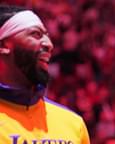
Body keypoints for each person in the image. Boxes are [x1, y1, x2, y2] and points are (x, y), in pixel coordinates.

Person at [0, 5, 90, 143]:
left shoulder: (72, 123)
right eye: (36, 34)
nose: (49, 44)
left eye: (47, 36)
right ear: (4, 46)